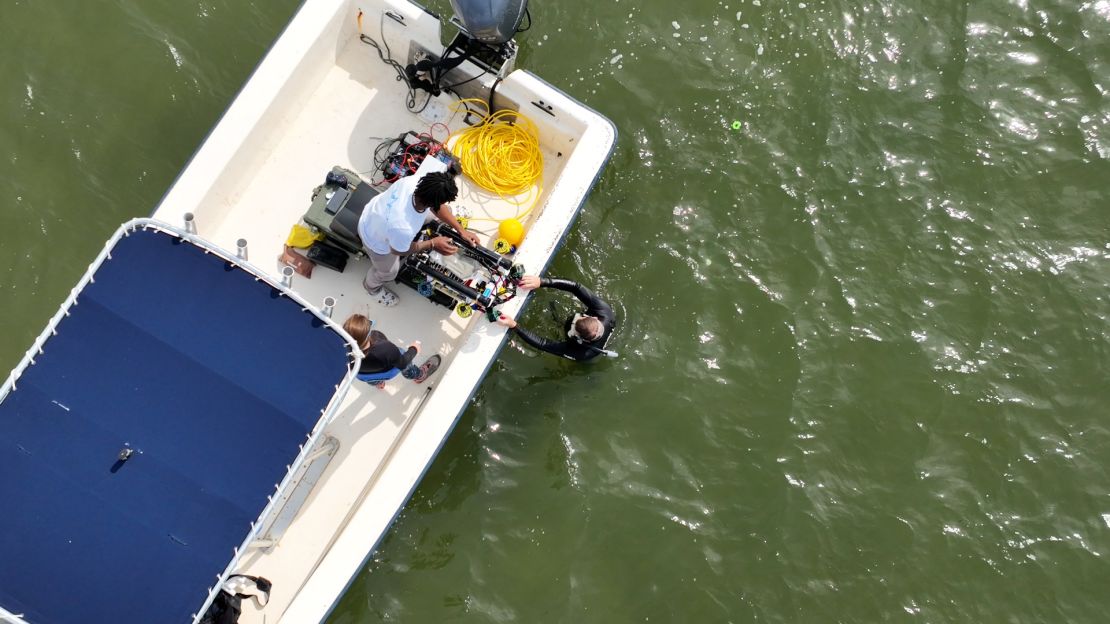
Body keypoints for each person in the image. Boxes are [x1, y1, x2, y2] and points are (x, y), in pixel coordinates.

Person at [357, 170, 480, 307]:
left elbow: (437, 208)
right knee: (389, 272)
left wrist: (461, 230)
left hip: (377, 212)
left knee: (445, 213)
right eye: (441, 203)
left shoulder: (417, 181)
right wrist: (432, 244)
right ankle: (371, 288)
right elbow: (398, 250)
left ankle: (450, 217)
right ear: (432, 204)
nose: (441, 206)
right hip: (375, 240)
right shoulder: (403, 227)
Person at [494, 275, 617, 362]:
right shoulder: (605, 312)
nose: (575, 320)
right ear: (594, 317)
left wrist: (514, 325)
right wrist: (542, 281)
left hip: (582, 353)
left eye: (574, 323)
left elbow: (543, 344)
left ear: (577, 337)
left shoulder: (581, 352)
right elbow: (576, 287)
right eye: (579, 318)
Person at [342, 314, 441, 385]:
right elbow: (402, 363)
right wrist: (414, 349)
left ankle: (378, 384)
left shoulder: (340, 348)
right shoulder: (386, 348)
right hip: (388, 372)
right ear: (367, 335)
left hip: (363, 375)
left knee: (372, 380)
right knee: (403, 358)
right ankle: (419, 375)